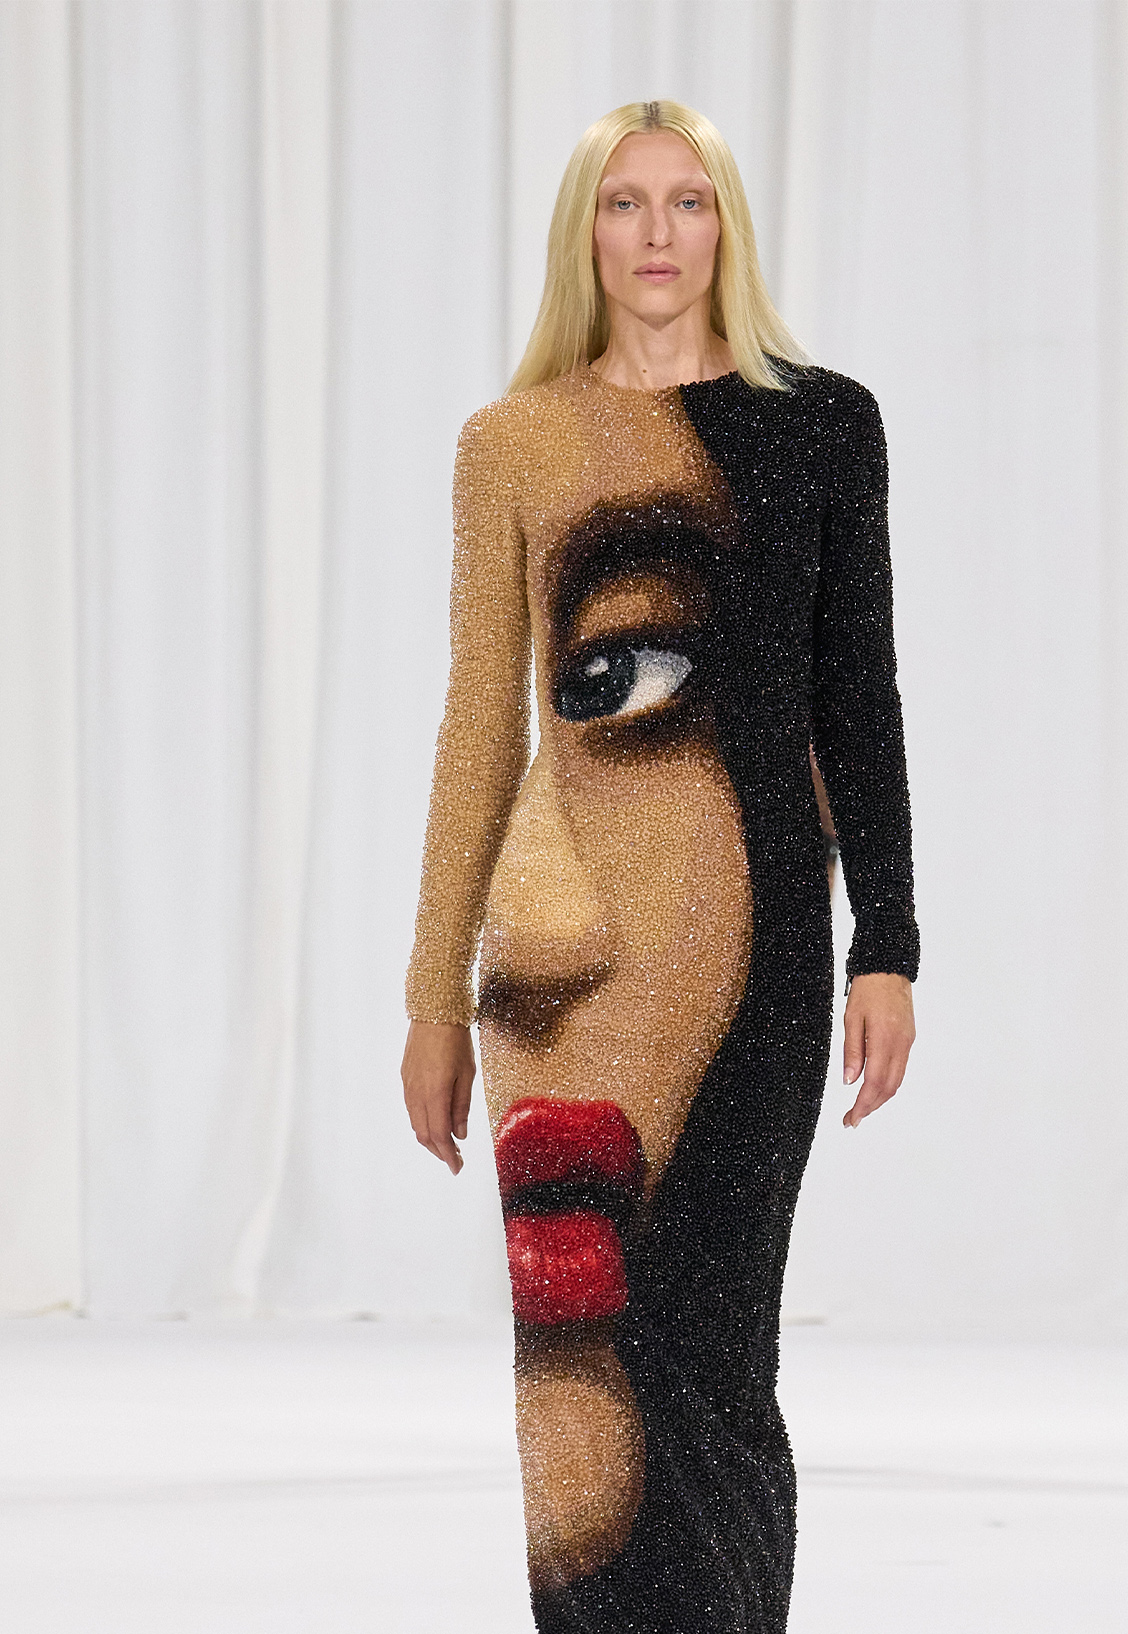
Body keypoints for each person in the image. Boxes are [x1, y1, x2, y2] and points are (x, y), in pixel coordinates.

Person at [401, 98, 918, 1634]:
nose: (655, 233)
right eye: (623, 202)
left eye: (687, 201)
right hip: (554, 980)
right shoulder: (512, 445)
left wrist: (888, 939)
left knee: (717, 1350)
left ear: (727, 228)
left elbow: (856, 697)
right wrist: (432, 997)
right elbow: (477, 734)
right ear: (585, 232)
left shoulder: (825, 426)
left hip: (755, 955)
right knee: (576, 1370)